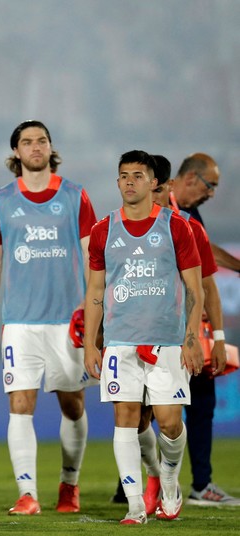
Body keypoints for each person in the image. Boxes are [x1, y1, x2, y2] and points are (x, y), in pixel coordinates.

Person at [0, 120, 96, 515]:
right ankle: (27, 494)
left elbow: (91, 257)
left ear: (50, 147)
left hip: (67, 320)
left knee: (73, 406)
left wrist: (94, 311)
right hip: (20, 322)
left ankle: (69, 484)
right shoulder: (1, 200)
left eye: (41, 140)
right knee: (20, 402)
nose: (35, 147)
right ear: (16, 151)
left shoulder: (76, 196)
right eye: (27, 142)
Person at [84, 150, 204, 524]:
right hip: (120, 341)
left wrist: (192, 338)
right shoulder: (103, 230)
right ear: (117, 182)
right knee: (126, 419)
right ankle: (136, 505)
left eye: (138, 175)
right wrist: (91, 343)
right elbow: (95, 291)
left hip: (167, 341)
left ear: (154, 183)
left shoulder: (176, 227)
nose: (130, 182)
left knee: (169, 423)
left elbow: (195, 289)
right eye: (124, 176)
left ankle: (168, 478)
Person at [110, 154, 229, 513]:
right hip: (131, 336)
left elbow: (206, 287)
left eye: (159, 189)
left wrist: (216, 338)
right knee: (135, 419)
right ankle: (149, 480)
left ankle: (179, 481)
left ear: (164, 187)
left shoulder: (186, 226)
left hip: (174, 337)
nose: (154, 196)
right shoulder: (118, 228)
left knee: (172, 418)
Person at [168, 153, 240, 506]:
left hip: (188, 325)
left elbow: (204, 256)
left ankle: (201, 483)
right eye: (210, 185)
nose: (212, 193)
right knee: (144, 408)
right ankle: (133, 485)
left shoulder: (191, 215)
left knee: (201, 401)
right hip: (156, 324)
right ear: (191, 178)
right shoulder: (156, 204)